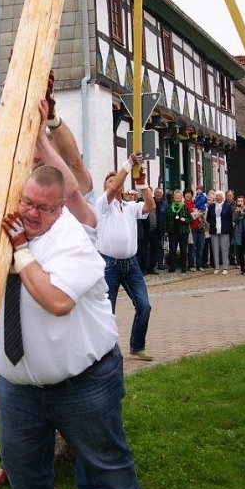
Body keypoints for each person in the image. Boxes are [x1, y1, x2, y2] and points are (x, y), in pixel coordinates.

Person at [0, 165, 151, 489]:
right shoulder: (2, 230)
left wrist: (21, 252)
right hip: (18, 387)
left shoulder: (72, 241)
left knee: (112, 474)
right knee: (25, 474)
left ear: (61, 207)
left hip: (83, 384)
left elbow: (57, 301)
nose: (31, 213)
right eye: (27, 203)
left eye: (44, 208)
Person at [95, 153, 155, 361]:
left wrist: (142, 184)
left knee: (144, 306)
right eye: (109, 181)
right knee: (107, 309)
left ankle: (137, 346)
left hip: (131, 264)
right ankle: (105, 350)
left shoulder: (130, 207)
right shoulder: (102, 205)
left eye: (116, 180)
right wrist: (128, 164)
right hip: (108, 264)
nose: (113, 183)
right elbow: (112, 189)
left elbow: (150, 206)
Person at [207, 191, 232, 274]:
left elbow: (230, 218)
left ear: (223, 197)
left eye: (219, 196)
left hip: (224, 230)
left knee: (224, 248)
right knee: (215, 248)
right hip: (214, 230)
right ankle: (217, 267)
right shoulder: (211, 207)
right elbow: (208, 218)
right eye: (216, 196)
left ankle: (225, 267)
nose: (218, 198)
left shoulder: (227, 206)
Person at [166, 189, 190, 273]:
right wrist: (167, 230)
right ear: (174, 198)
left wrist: (185, 220)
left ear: (181, 198)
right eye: (176, 197)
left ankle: (184, 268)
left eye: (179, 197)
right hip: (172, 231)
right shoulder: (169, 207)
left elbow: (190, 218)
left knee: (183, 250)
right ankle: (172, 267)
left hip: (183, 231)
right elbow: (167, 219)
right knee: (172, 249)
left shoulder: (185, 207)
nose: (177, 199)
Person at [184, 188, 205, 271]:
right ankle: (191, 265)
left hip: (199, 227)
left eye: (189, 193)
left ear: (192, 195)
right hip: (191, 228)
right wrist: (194, 215)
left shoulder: (196, 203)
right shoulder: (183, 205)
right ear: (184, 195)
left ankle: (199, 265)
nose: (188, 195)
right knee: (192, 248)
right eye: (186, 194)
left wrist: (201, 214)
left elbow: (202, 211)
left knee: (200, 247)